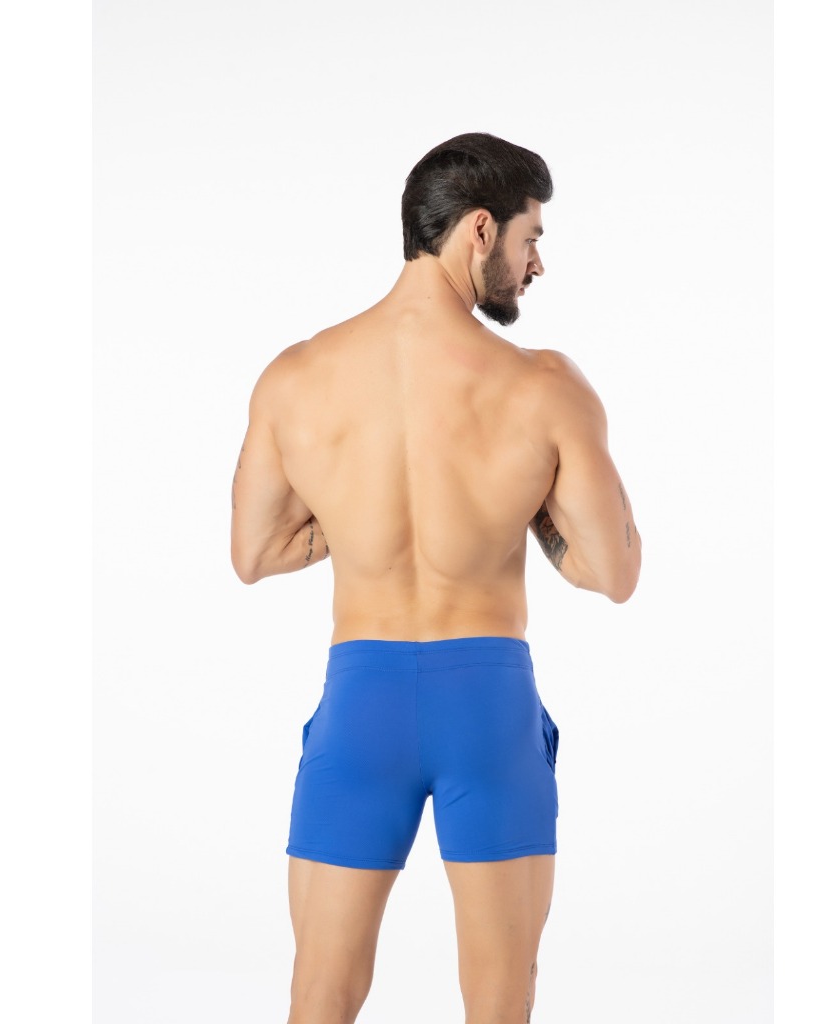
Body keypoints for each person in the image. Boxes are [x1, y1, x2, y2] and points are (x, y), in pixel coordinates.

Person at [230, 131, 642, 1024]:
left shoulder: (297, 376)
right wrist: (521, 507)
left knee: (320, 996)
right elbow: (614, 571)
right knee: (500, 1002)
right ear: (480, 230)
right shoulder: (543, 385)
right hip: (486, 705)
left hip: (361, 703)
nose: (538, 265)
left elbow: (253, 553)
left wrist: (356, 518)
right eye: (532, 239)